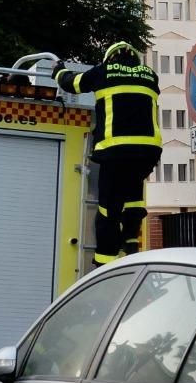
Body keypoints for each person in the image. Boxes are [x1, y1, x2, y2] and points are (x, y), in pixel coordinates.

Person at [54, 42, 162, 265]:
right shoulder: (150, 75)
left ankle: (105, 262)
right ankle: (131, 243)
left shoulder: (105, 71)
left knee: (108, 209)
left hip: (115, 153)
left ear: (110, 57)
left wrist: (58, 70)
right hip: (147, 153)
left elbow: (72, 83)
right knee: (133, 198)